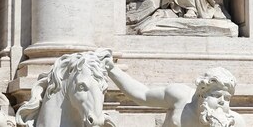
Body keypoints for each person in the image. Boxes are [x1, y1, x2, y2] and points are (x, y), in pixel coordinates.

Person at [104, 54, 245, 127]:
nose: (222, 102)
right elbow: (142, 95)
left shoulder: (235, 122)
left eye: (227, 99)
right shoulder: (180, 98)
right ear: (202, 93)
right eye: (216, 95)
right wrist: (111, 68)